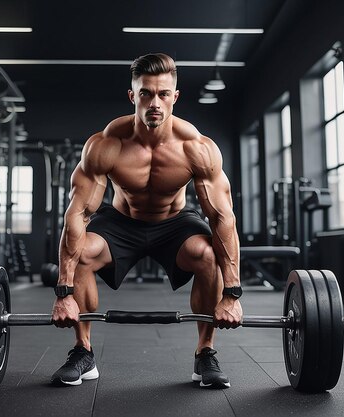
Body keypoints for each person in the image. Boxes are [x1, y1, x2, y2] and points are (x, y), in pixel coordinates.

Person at [51, 53, 243, 389]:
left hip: (175, 222)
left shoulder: (196, 148)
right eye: (146, 93)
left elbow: (221, 216)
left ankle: (205, 354)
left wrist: (233, 293)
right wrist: (63, 290)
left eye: (163, 94)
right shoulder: (106, 145)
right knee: (82, 251)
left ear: (175, 97)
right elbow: (78, 214)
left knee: (208, 254)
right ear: (132, 95)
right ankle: (83, 351)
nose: (154, 102)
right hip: (122, 221)